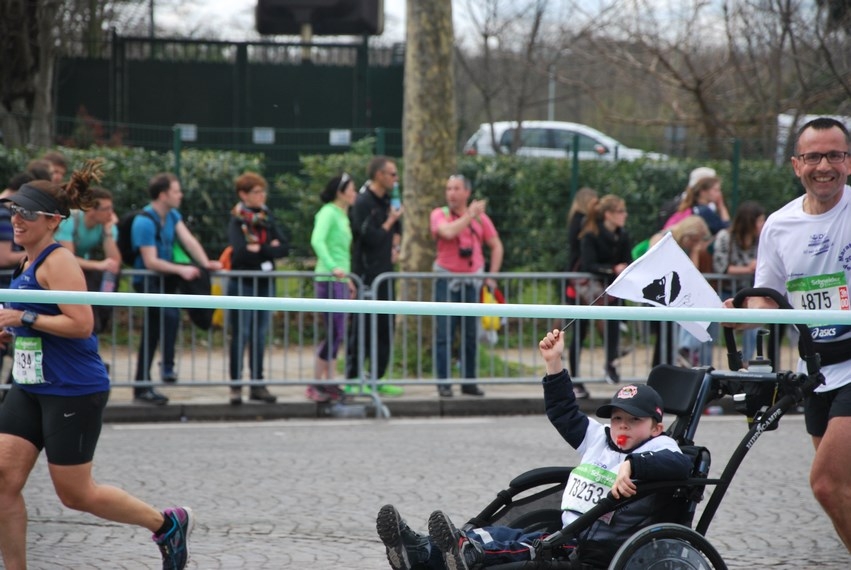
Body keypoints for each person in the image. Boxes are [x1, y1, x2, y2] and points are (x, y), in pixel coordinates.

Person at [0, 160, 193, 570]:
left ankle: (165, 524)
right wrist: (12, 332)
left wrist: (24, 319)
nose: (16, 220)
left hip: (72, 388)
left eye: (26, 213)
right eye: (13, 211)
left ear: (53, 222)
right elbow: (33, 322)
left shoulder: (59, 261)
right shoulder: (25, 261)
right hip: (30, 385)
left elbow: (80, 323)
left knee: (76, 494)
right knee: (3, 482)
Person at [376, 328, 693, 570]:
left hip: (587, 547)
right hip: (564, 532)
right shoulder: (599, 437)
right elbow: (564, 413)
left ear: (656, 427)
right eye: (618, 418)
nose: (622, 426)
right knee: (502, 537)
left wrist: (633, 466)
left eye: (633, 421)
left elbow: (677, 466)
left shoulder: (662, 446)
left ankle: (461, 551)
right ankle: (420, 550)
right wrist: (553, 363)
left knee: (511, 550)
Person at [724, 117, 851, 552]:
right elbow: (768, 301)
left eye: (835, 155)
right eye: (813, 156)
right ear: (796, 165)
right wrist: (736, 316)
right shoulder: (778, 225)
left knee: (826, 484)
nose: (824, 165)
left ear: (849, 162)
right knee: (842, 491)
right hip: (816, 369)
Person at [131, 172, 222, 405]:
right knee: (161, 323)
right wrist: (181, 270)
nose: (180, 195)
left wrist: (204, 263)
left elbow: (189, 241)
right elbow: (150, 260)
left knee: (165, 322)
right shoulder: (143, 221)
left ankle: (153, 377)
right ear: (163, 195)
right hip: (148, 282)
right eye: (176, 191)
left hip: (165, 281)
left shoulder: (172, 215)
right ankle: (147, 381)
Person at [430, 174, 504, 398]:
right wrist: (469, 215)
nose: (451, 193)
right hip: (446, 281)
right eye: (449, 188)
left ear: (467, 193)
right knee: (445, 333)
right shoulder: (439, 214)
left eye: (456, 188)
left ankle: (469, 382)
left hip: (472, 282)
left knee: (471, 334)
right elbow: (448, 232)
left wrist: (492, 276)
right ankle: (444, 383)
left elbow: (496, 245)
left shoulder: (481, 219)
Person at [226, 172, 288, 406]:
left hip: (264, 284)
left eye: (263, 191)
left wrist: (259, 248)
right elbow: (239, 253)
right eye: (256, 192)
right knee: (241, 335)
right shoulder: (237, 219)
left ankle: (257, 384)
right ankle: (235, 386)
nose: (262, 196)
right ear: (243, 194)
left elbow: (283, 246)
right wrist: (267, 248)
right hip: (242, 284)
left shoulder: (267, 216)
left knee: (260, 336)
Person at [344, 156, 404, 395]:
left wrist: (396, 247)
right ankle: (352, 377)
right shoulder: (362, 202)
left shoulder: (389, 199)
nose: (396, 179)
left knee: (384, 327)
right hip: (366, 275)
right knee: (361, 327)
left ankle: (377, 377)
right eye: (392, 174)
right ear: (379, 175)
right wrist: (390, 221)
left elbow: (398, 229)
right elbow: (368, 237)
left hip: (385, 275)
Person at [308, 172, 357, 403]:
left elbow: (341, 251)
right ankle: (317, 383)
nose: (355, 193)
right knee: (334, 332)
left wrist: (346, 279)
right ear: (340, 191)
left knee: (338, 333)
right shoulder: (328, 212)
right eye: (352, 189)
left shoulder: (342, 214)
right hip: (328, 280)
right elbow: (317, 240)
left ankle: (330, 381)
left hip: (338, 280)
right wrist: (333, 267)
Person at [572, 194, 631, 384]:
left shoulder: (623, 235)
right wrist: (612, 269)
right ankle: (574, 377)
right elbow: (589, 264)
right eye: (620, 211)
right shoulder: (590, 234)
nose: (625, 215)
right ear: (608, 214)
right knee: (580, 331)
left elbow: (627, 260)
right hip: (585, 290)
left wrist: (623, 268)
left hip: (610, 290)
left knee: (612, 327)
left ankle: (610, 364)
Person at [55, 186, 121, 335]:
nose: (111, 214)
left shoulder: (106, 225)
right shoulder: (69, 221)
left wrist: (108, 233)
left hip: (82, 267)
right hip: (59, 266)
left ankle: (103, 310)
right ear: (91, 210)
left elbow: (115, 262)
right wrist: (98, 265)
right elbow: (68, 257)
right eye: (107, 209)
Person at [648, 216, 712, 367]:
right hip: (657, 293)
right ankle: (660, 370)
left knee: (669, 339)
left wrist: (695, 252)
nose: (695, 244)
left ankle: (664, 369)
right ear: (688, 234)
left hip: (672, 296)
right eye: (695, 240)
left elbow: (692, 273)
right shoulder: (661, 238)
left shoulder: (685, 246)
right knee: (664, 338)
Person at [712, 200, 765, 362]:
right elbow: (721, 267)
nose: (764, 224)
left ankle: (746, 362)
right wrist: (749, 268)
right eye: (761, 220)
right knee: (711, 328)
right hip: (725, 290)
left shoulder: (762, 239)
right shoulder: (725, 237)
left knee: (754, 325)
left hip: (749, 293)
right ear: (750, 221)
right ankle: (702, 366)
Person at [564, 187, 599, 399]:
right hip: (578, 282)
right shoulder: (581, 221)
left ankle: (576, 379)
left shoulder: (577, 220)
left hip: (577, 282)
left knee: (578, 331)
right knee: (577, 332)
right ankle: (574, 379)